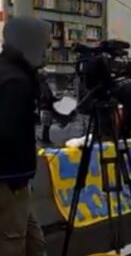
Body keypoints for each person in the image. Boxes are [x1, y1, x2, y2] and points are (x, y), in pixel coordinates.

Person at [0, 17, 50, 255]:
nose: (46, 52)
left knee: (34, 241)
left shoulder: (8, 71)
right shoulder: (16, 81)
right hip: (10, 179)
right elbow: (7, 132)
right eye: (44, 45)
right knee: (12, 241)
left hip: (15, 180)